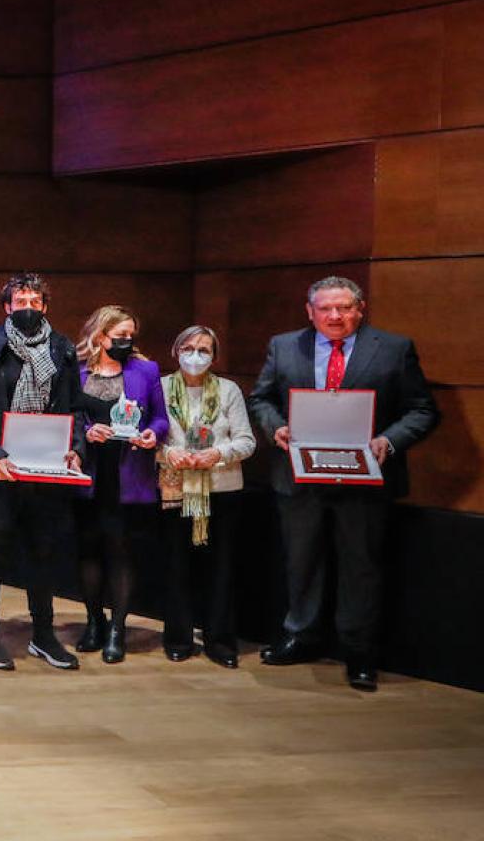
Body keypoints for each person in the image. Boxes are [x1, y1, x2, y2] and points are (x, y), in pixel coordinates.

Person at [250, 275, 438, 691]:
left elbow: (423, 410)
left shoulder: (393, 348)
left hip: (366, 479)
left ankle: (359, 653)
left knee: (361, 568)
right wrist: (276, 427)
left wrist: (390, 440)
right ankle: (302, 636)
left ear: (360, 308)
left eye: (344, 307)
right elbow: (260, 399)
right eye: (325, 309)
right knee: (301, 563)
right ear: (309, 311)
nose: (335, 316)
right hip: (298, 477)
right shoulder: (284, 346)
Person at [0, 274, 84, 672]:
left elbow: (75, 409)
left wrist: (76, 449)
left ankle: (44, 635)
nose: (28, 306)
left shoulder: (63, 348)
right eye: (20, 300)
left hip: (47, 468)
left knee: (43, 550)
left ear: (46, 307)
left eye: (35, 300)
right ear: (7, 307)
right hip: (0, 468)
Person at [73, 305, 168, 665]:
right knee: (88, 550)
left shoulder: (146, 370)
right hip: (88, 473)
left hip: (128, 473)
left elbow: (160, 418)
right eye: (120, 337)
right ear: (99, 336)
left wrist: (151, 434)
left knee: (120, 551)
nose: (127, 342)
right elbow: (68, 415)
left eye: (131, 336)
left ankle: (117, 628)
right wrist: (85, 431)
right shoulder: (77, 371)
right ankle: (93, 621)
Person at [158, 325, 255, 667]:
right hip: (176, 489)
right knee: (177, 567)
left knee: (221, 569)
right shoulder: (161, 387)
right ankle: (178, 638)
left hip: (222, 488)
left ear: (214, 355)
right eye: (188, 347)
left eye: (204, 349)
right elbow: (150, 436)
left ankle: (220, 640)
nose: (195, 355)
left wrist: (218, 453)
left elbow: (247, 441)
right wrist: (169, 454)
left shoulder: (228, 390)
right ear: (176, 350)